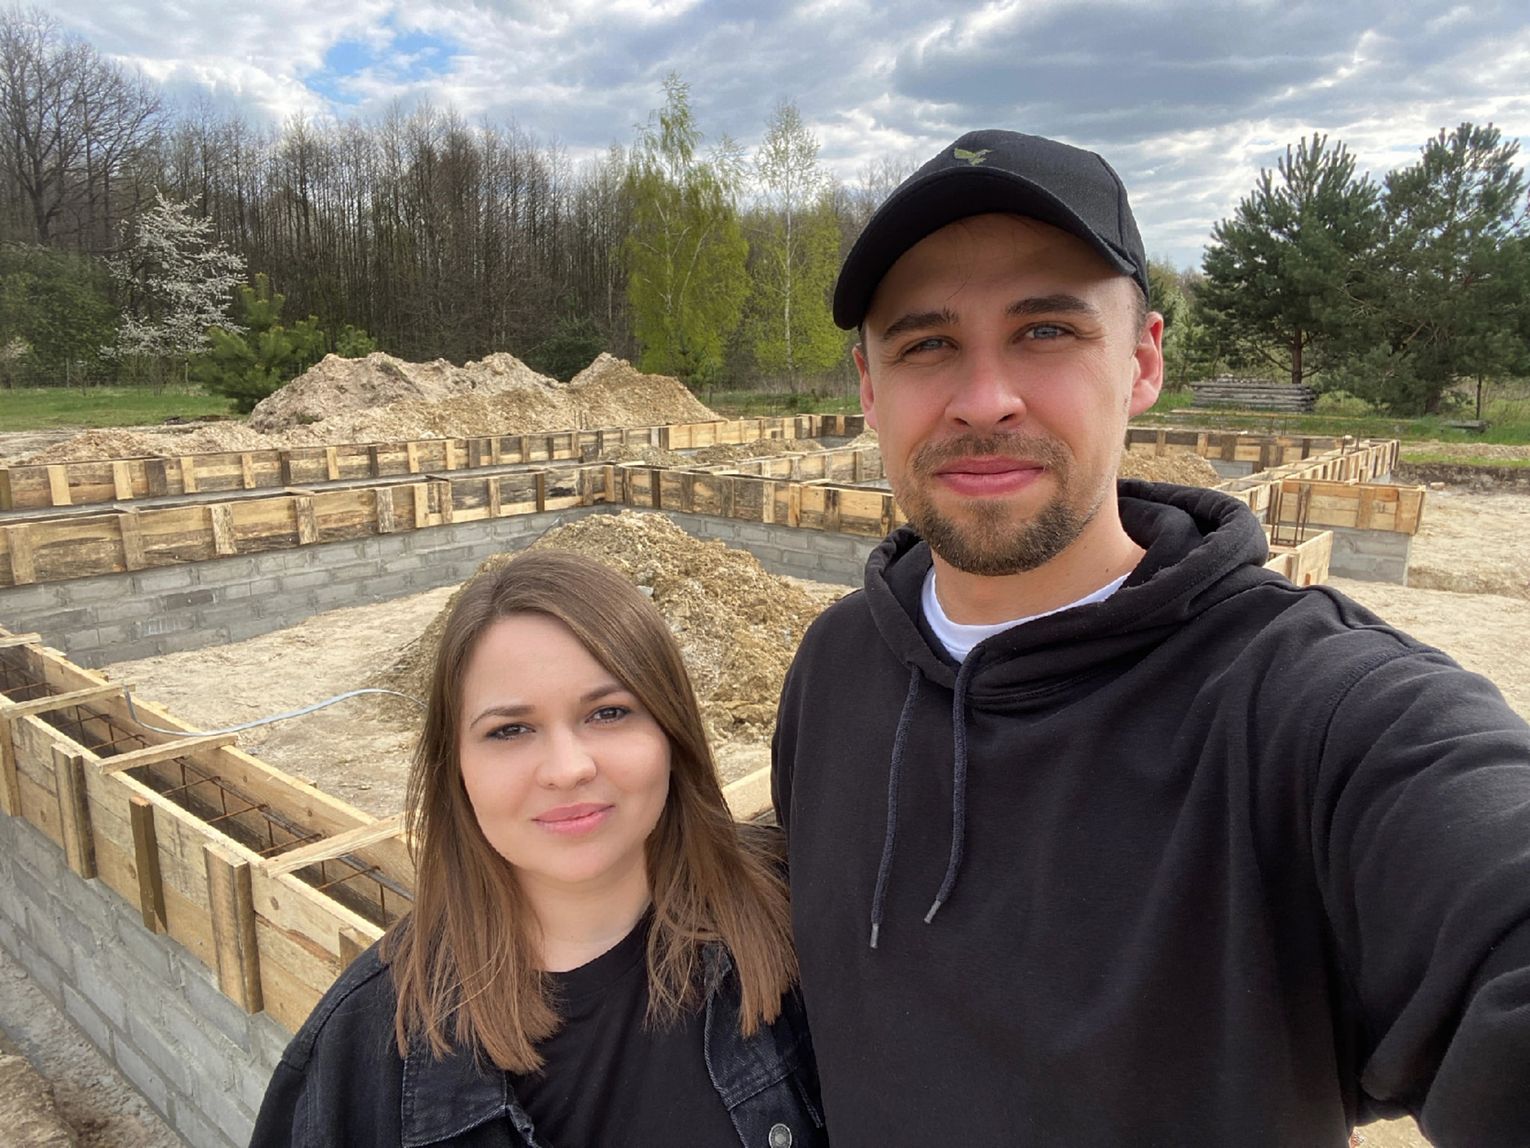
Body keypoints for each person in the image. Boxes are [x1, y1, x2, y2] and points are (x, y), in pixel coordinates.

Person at [771, 128, 1530, 1145]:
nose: (985, 399)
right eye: (927, 344)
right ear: (870, 388)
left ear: (1142, 363)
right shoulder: (835, 667)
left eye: (1046, 330)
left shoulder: (1305, 708)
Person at [254, 551, 823, 1147]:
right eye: (510, 730)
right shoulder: (355, 1060)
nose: (567, 768)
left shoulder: (802, 924)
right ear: (456, 767)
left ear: (670, 732)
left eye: (608, 713)